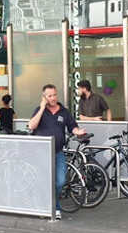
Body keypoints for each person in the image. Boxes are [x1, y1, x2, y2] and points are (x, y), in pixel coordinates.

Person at [28, 84, 86, 220]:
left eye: (54, 95)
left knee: (60, 181)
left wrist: (78, 132)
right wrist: (42, 108)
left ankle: (46, 204)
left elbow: (72, 126)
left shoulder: (63, 111)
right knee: (45, 181)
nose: (53, 98)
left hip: (58, 151)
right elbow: (31, 125)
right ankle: (54, 208)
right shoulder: (39, 110)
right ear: (44, 97)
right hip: (42, 152)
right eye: (49, 96)